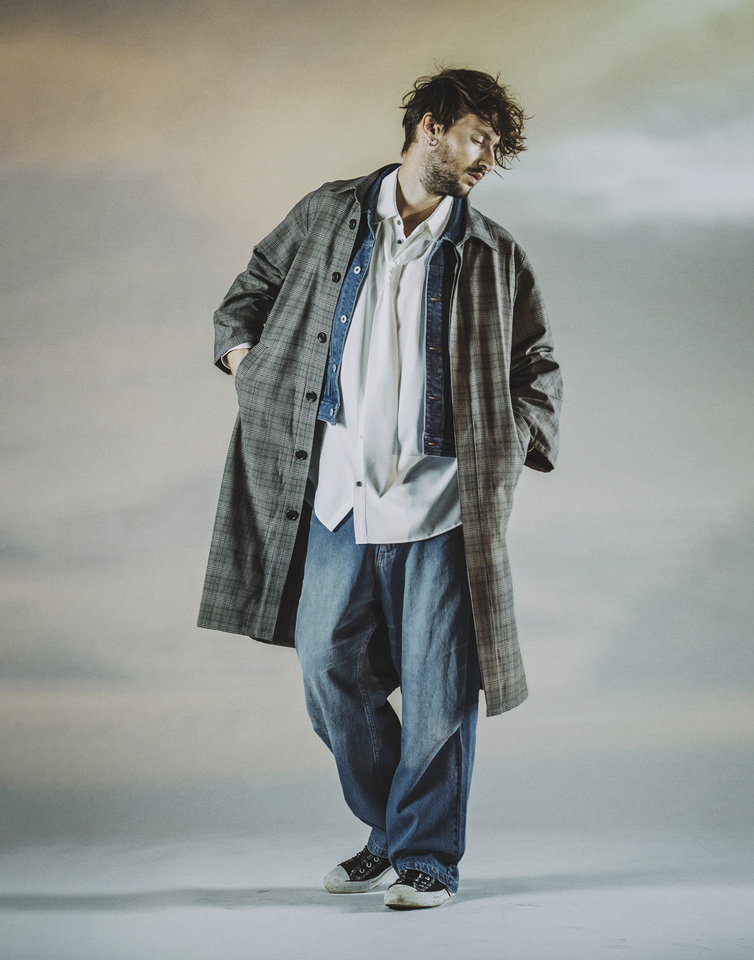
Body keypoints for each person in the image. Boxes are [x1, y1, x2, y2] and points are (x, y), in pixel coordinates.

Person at [198, 67, 562, 909]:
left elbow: (537, 361)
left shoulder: (492, 252)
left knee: (440, 695)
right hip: (336, 495)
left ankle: (427, 857)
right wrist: (247, 366)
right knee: (329, 671)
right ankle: (393, 830)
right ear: (430, 127)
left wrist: (516, 437)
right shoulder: (329, 214)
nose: (486, 159)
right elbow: (250, 292)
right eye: (477, 138)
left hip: (440, 506)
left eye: (495, 148)